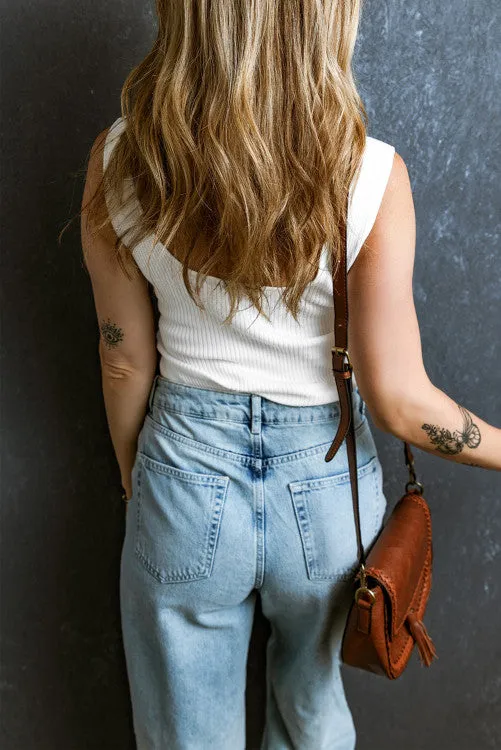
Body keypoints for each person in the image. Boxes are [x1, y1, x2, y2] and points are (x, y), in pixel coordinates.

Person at [80, 2, 501, 748]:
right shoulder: (371, 175)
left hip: (184, 470)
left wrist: (134, 480)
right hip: (327, 484)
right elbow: (401, 403)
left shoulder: (120, 161)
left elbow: (123, 360)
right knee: (310, 710)